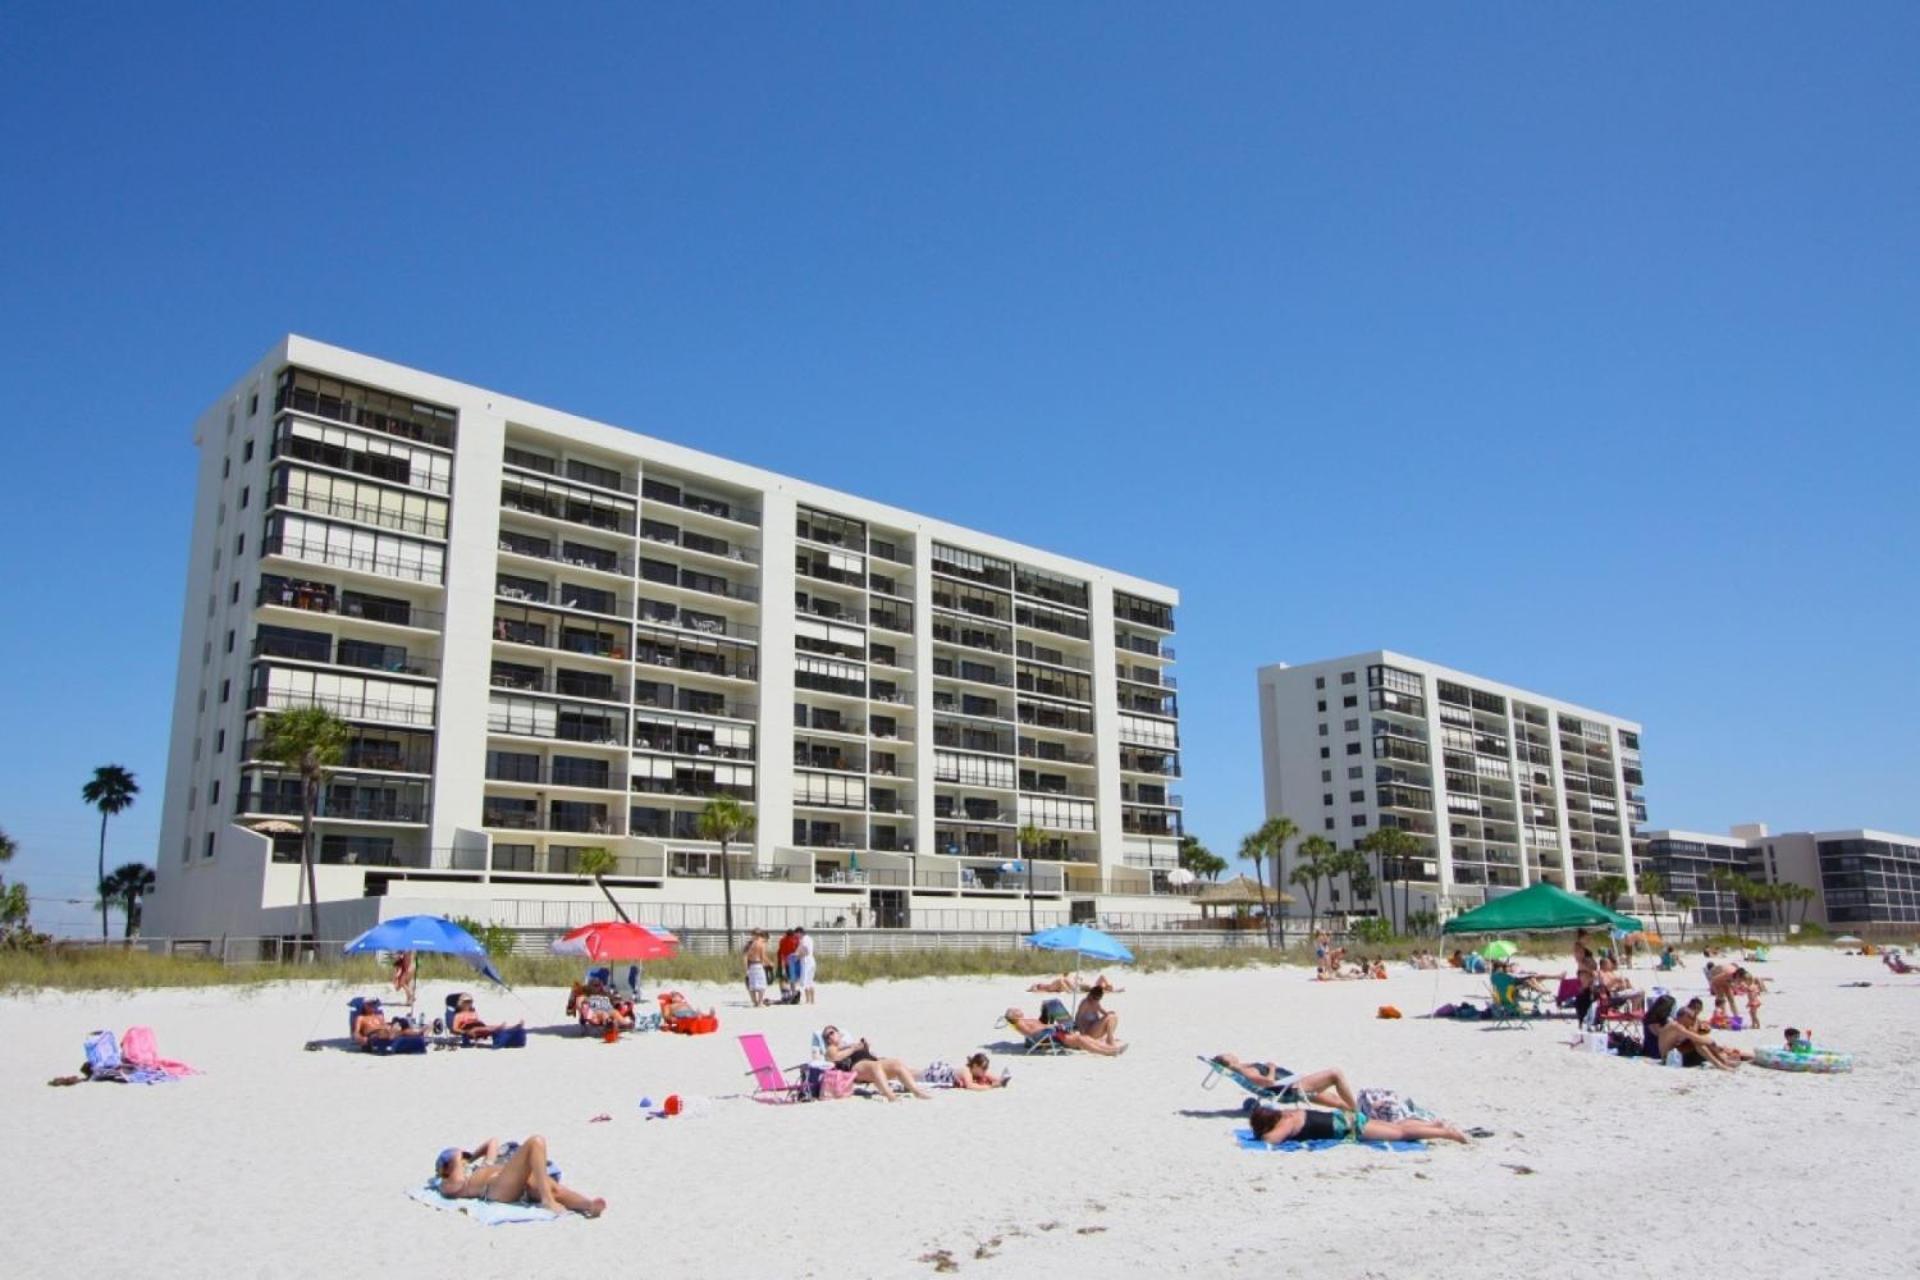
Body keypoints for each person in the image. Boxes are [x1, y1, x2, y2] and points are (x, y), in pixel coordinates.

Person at [435, 1136, 604, 1218]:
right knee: (535, 1143)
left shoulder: (479, 1166)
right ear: (448, 1167)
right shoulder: (452, 1184)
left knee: (554, 1189)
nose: (464, 1162)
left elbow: (492, 1142)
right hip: (496, 1189)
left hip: (511, 1181)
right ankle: (547, 1201)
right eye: (461, 1160)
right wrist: (455, 1158)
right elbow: (451, 1181)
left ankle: (588, 1205)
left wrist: (472, 1158)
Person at [1247, 1103, 1466, 1146]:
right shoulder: (1289, 1113)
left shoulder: (1286, 1124)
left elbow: (1271, 1140)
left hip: (1349, 1127)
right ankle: (1436, 1125)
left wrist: (1261, 1135)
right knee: (1396, 1127)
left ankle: (1446, 1133)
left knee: (1400, 1133)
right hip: (1347, 1117)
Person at [1210, 1055, 1358, 1111]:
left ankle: (1357, 1116)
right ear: (1228, 1062)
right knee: (1335, 1074)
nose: (1231, 1053)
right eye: (1227, 1054)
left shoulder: (1243, 1067)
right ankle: (1356, 1112)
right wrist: (1272, 1068)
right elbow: (1268, 1082)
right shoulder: (1245, 1071)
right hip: (1292, 1088)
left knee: (1337, 1102)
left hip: (1290, 1086)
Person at [821, 1026, 932, 1100]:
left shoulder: (850, 1044)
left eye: (832, 1033)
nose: (830, 1037)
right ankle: (890, 1095)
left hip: (871, 1062)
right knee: (875, 1067)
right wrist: (854, 1048)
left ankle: (917, 1091)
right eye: (827, 1036)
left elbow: (869, 1054)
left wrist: (865, 1047)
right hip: (856, 1067)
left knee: (896, 1063)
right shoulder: (831, 1049)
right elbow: (835, 1057)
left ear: (839, 1034)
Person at [1003, 1007, 1127, 1056]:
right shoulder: (1019, 1023)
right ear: (1014, 1016)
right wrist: (1051, 1028)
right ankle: (1107, 1051)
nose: (1019, 1009)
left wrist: (1052, 1025)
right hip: (1049, 1035)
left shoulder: (1023, 1020)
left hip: (1051, 1032)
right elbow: (1032, 1033)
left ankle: (1109, 1048)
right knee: (1079, 1040)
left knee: (1083, 1038)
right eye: (1016, 1010)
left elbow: (1038, 1026)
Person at [352, 998, 421, 1050]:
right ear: (365, 1005)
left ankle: (420, 1033)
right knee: (383, 1032)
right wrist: (360, 1039)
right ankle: (392, 1033)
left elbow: (384, 1025)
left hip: (386, 1031)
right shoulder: (361, 1018)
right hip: (373, 1035)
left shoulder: (379, 1016)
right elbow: (356, 1032)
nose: (373, 1006)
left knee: (404, 1031)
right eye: (370, 1004)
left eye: (374, 1004)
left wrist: (389, 1027)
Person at [449, 994, 523, 1043]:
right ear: (461, 1004)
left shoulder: (473, 1012)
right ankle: (499, 1028)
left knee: (489, 1027)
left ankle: (513, 1027)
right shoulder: (458, 1015)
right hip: (469, 1030)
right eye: (466, 1002)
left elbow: (478, 1021)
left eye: (470, 1002)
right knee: (480, 1029)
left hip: (479, 1027)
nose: (468, 1004)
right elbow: (455, 1028)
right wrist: (465, 1032)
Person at [743, 930, 770, 1007]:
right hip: (758, 965)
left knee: (752, 985)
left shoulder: (750, 944)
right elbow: (763, 956)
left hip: (751, 966)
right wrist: (770, 963)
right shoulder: (761, 943)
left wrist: (746, 969)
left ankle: (755, 1002)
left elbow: (746, 957)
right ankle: (760, 1002)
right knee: (762, 984)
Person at [794, 927, 817, 1004]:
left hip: (807, 961)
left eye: (796, 934)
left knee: (806, 981)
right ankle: (811, 1000)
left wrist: (797, 957)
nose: (796, 936)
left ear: (800, 932)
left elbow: (806, 951)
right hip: (809, 961)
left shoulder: (805, 939)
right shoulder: (807, 939)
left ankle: (809, 1000)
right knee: (809, 981)